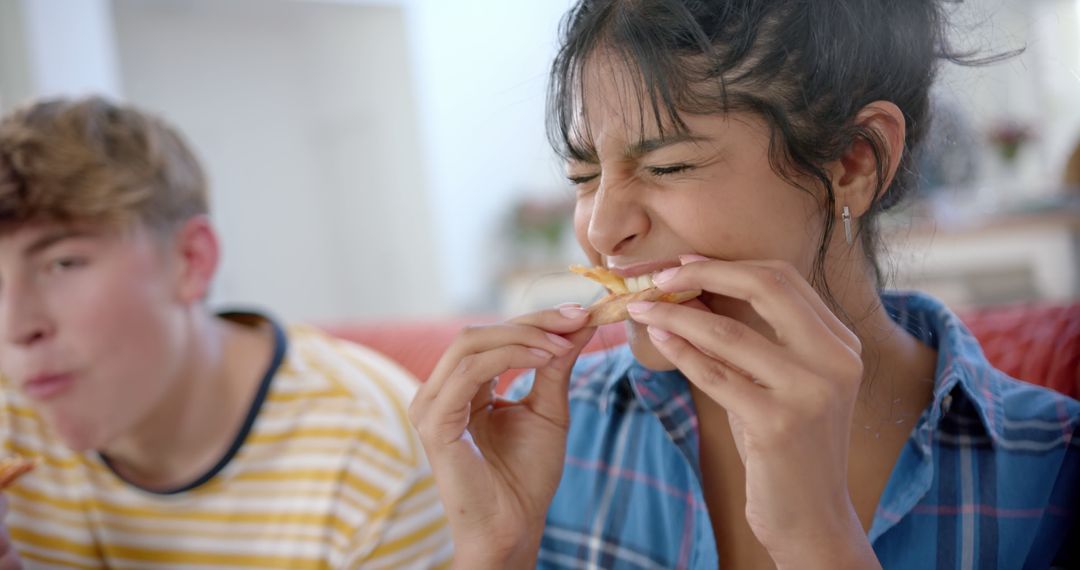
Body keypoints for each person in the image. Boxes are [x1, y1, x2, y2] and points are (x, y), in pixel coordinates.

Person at [409, 1, 1080, 568]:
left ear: (855, 161)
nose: (601, 227)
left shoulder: (1052, 471)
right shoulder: (544, 436)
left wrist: (820, 539)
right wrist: (494, 550)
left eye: (669, 166)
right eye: (583, 177)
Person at [0, 96, 452, 569]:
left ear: (190, 261)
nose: (14, 329)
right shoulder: (10, 420)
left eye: (62, 263)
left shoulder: (374, 455)